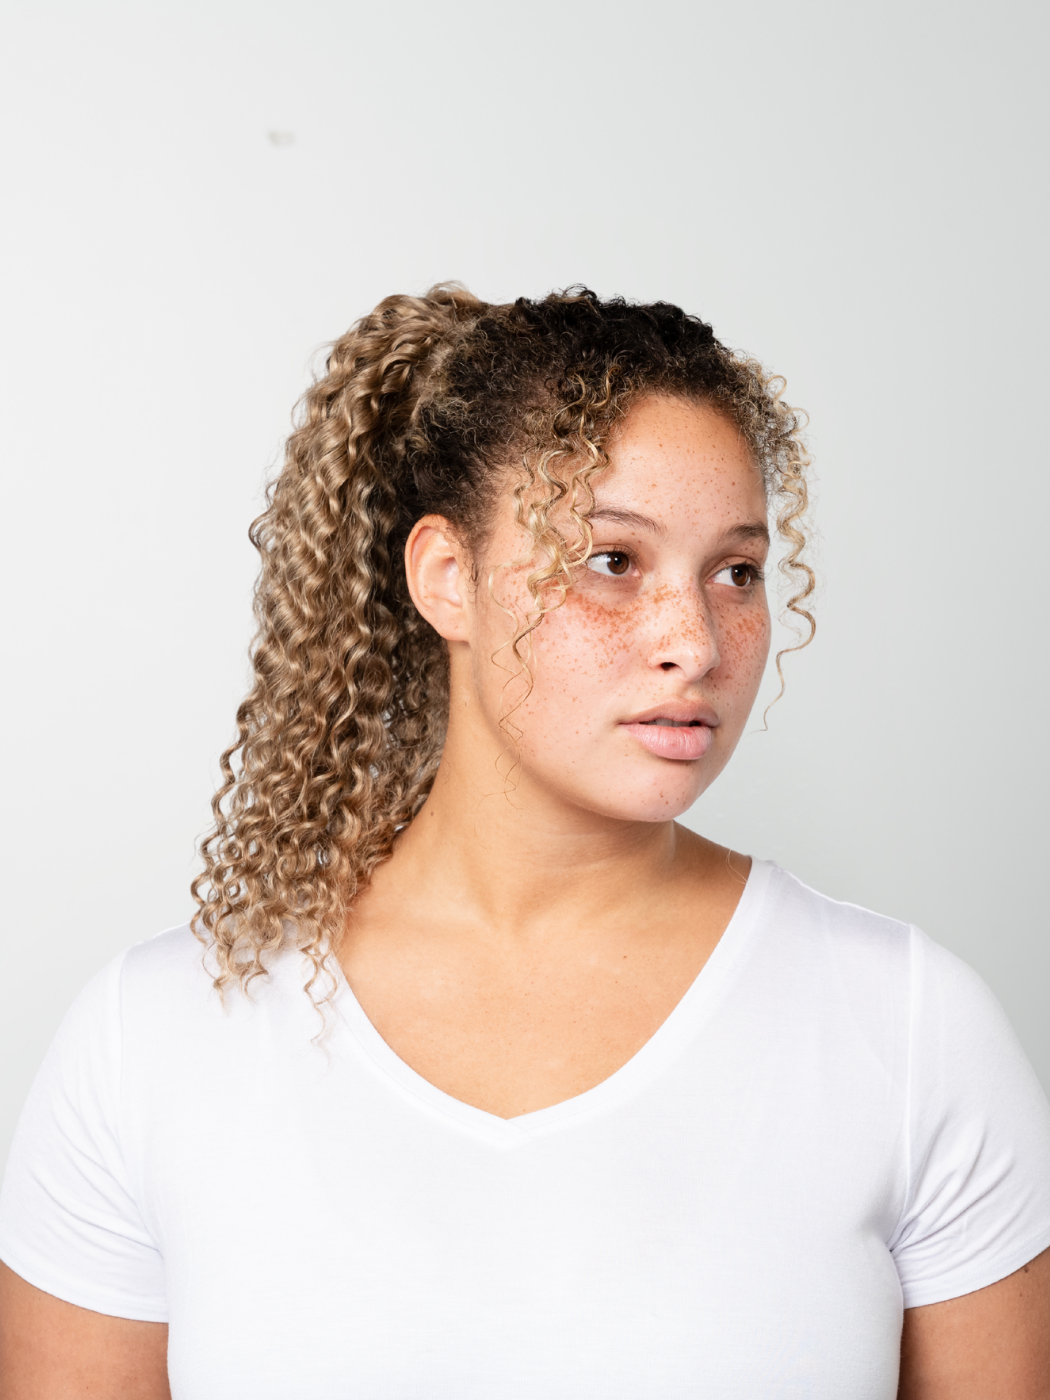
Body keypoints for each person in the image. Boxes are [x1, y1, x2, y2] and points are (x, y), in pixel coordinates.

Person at [1, 287, 1048, 1400]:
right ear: (447, 577)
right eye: (613, 560)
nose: (692, 639)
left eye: (735, 570)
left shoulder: (911, 1028)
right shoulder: (154, 1039)